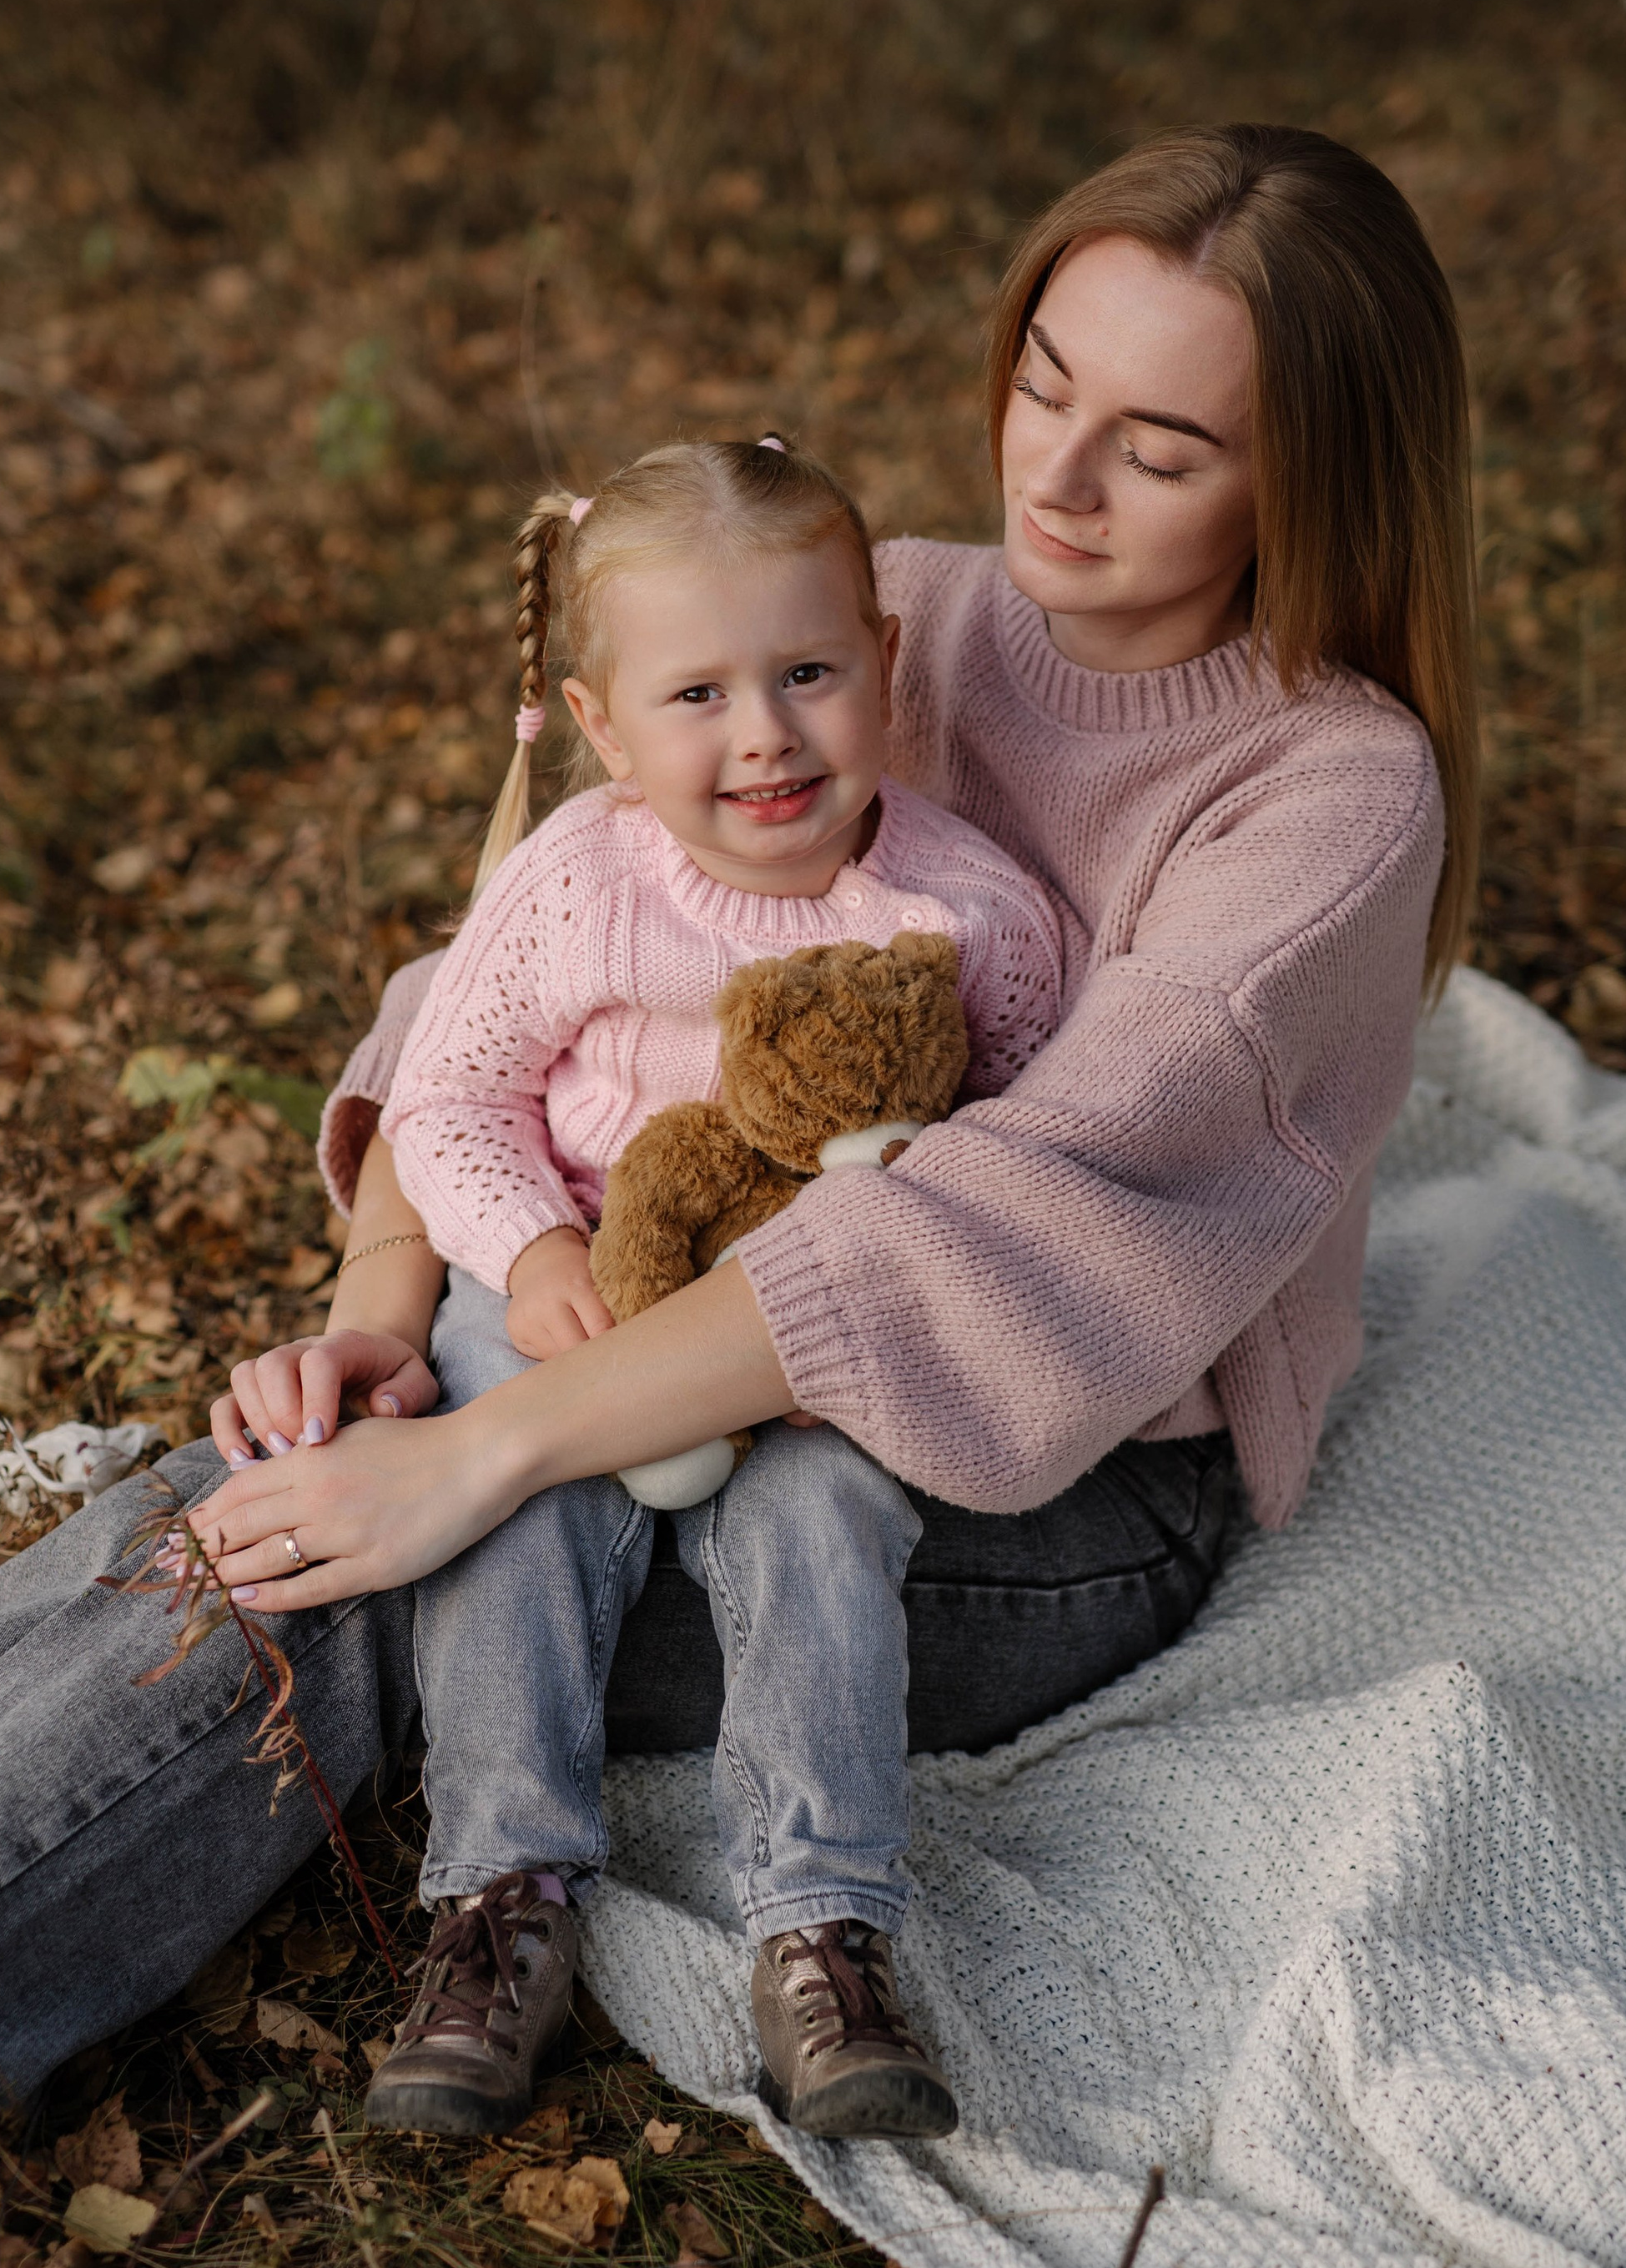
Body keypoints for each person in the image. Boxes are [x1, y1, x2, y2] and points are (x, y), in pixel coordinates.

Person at [0, 123, 1476, 2268]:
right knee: (272, 1511)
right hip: (642, 1331)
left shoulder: (1326, 796)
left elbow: (980, 1228)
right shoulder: (897, 609)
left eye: (1157, 449)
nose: (1055, 477)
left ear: (1310, 480)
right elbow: (511, 963)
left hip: (1028, 1480)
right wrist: (388, 1321)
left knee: (362, 1576)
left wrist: (481, 1455)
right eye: (1041, 383)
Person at [284, 433, 1065, 2141]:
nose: (763, 734)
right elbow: (448, 1098)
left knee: (821, 1526)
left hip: (799, 1334)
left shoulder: (968, 915)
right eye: (697, 694)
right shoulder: (580, 880)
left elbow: (1009, 1156)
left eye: (806, 674)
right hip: (562, 1277)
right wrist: (535, 1254)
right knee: (511, 1515)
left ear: (884, 659)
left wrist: (861, 1330)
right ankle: (499, 1902)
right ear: (603, 725)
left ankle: (821, 1928)